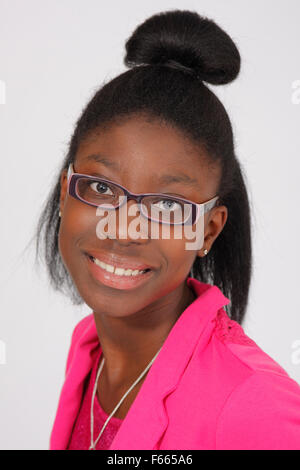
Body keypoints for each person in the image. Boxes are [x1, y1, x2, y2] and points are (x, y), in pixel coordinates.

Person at [34, 9, 300, 450]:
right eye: (101, 187)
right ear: (66, 192)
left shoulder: (256, 404)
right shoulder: (89, 352)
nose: (124, 229)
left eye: (168, 205)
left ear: (209, 231)